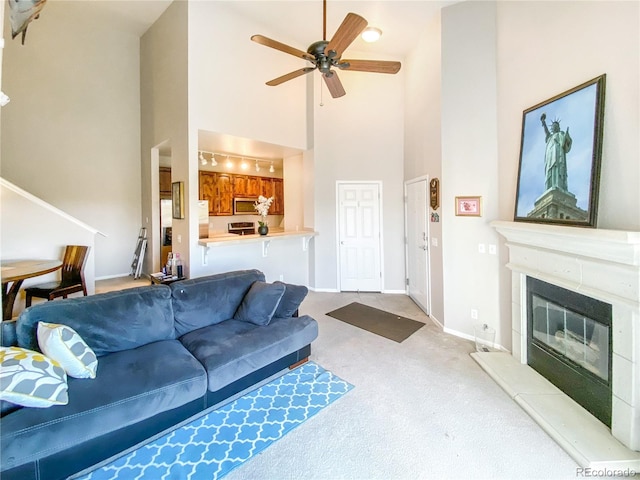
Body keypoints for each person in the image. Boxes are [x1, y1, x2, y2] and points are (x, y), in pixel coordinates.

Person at [540, 113, 572, 191]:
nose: (555, 127)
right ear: (552, 128)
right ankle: (550, 186)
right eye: (554, 126)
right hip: (550, 155)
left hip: (558, 154)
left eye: (556, 126)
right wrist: (543, 122)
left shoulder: (561, 134)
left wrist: (567, 137)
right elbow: (546, 131)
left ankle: (559, 185)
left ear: (559, 127)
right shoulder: (550, 137)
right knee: (550, 170)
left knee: (558, 168)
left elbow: (567, 142)